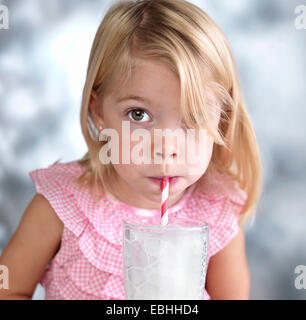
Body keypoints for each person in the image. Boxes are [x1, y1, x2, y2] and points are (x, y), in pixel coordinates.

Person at [0, 0, 262, 300]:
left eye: (194, 117)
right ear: (98, 111)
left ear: (223, 119)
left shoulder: (214, 211)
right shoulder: (61, 206)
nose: (165, 149)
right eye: (138, 115)